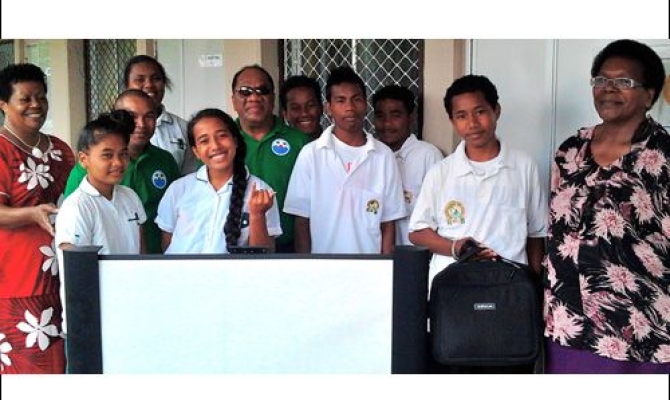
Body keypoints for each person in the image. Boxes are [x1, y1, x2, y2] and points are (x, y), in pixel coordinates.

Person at [543, 39, 670, 373]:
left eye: (623, 81)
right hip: (571, 322)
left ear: (649, 95)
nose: (608, 88)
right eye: (601, 80)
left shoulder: (663, 155)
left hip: (644, 328)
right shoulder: (570, 151)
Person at [408, 74, 547, 373]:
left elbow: (536, 234)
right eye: (461, 115)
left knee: (509, 371)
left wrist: (534, 289)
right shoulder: (441, 173)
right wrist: (454, 246)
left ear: (496, 110)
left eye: (480, 111)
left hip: (509, 294)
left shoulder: (523, 167)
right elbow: (417, 232)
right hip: (454, 296)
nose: (472, 123)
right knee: (453, 372)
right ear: (452, 121)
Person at [0, 63, 75, 374]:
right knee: (25, 364)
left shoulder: (61, 150)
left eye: (41, 97)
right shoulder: (2, 149)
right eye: (25, 98)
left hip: (63, 275)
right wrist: (31, 213)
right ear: (3, 104)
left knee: (62, 361)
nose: (36, 105)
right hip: (17, 279)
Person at [284, 66, 406, 254]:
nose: (350, 108)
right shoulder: (311, 155)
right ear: (328, 108)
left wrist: (385, 265)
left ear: (365, 104)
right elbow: (302, 222)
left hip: (370, 266)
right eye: (340, 100)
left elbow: (388, 223)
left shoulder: (383, 156)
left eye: (356, 99)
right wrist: (307, 266)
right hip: (323, 266)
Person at [64, 89, 180, 254]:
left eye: (149, 116)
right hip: (95, 268)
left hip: (151, 261)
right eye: (107, 155)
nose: (141, 124)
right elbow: (75, 258)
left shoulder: (133, 193)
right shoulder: (78, 198)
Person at [156, 108, 281, 254]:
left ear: (235, 141)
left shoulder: (260, 190)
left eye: (222, 136)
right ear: (196, 151)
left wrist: (257, 214)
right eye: (204, 141)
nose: (215, 146)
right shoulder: (178, 189)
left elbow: (264, 256)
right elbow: (167, 243)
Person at [231, 65, 310, 253]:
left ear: (273, 98)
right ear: (233, 100)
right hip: (234, 250)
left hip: (290, 248)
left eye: (262, 90)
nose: (254, 97)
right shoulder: (222, 142)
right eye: (245, 91)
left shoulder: (300, 143)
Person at [372, 84, 443, 245]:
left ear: (411, 117)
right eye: (380, 116)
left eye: (395, 115)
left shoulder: (428, 156)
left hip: (414, 252)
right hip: (376, 252)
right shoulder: (371, 156)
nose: (387, 124)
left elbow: (439, 213)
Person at [123, 55, 199, 175]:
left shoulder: (183, 129)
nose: (149, 85)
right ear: (127, 86)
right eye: (140, 79)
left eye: (156, 79)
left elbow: (189, 177)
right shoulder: (112, 128)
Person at [279, 75, 323, 140]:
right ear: (285, 114)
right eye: (295, 108)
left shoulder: (336, 143)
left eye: (310, 105)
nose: (304, 113)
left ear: (321, 108)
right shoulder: (277, 145)